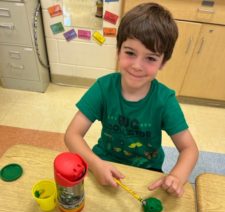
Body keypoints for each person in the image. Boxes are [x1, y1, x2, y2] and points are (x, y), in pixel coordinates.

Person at [64, 2, 199, 197]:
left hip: (147, 174)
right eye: (130, 53)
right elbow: (72, 135)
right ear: (118, 51)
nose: (137, 65)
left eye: (150, 58)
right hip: (102, 163)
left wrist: (177, 176)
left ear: (163, 62)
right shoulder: (103, 88)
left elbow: (189, 149)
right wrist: (94, 164)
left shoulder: (165, 100)